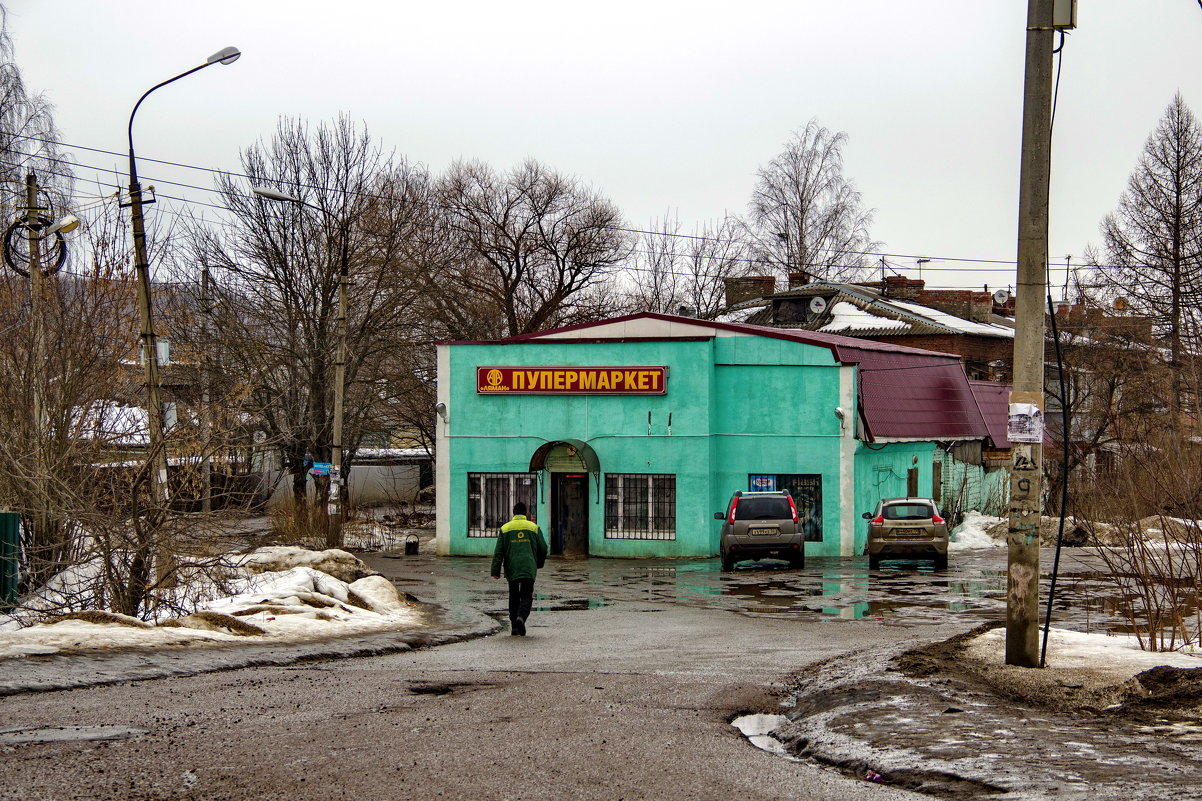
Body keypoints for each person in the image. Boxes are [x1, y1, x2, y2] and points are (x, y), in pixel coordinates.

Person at [490, 502, 548, 636]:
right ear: (525, 513)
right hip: (528, 567)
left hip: (512, 567)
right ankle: (521, 617)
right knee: (527, 595)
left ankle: (514, 626)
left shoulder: (505, 528)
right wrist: (538, 563)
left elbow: (499, 551)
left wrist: (495, 571)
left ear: (513, 512)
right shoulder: (534, 527)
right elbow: (543, 548)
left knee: (514, 595)